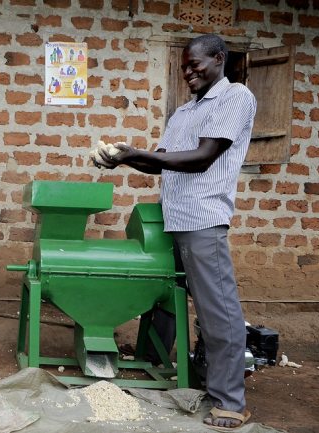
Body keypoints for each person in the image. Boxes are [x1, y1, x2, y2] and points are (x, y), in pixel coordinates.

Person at [95, 34, 256, 431]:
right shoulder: (184, 111)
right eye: (184, 66)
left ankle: (230, 402)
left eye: (195, 65)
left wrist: (136, 154)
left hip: (203, 219)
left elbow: (203, 158)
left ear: (219, 59)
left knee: (218, 313)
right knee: (165, 300)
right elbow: (162, 162)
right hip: (173, 216)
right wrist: (124, 158)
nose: (188, 73)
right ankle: (159, 362)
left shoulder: (236, 97)